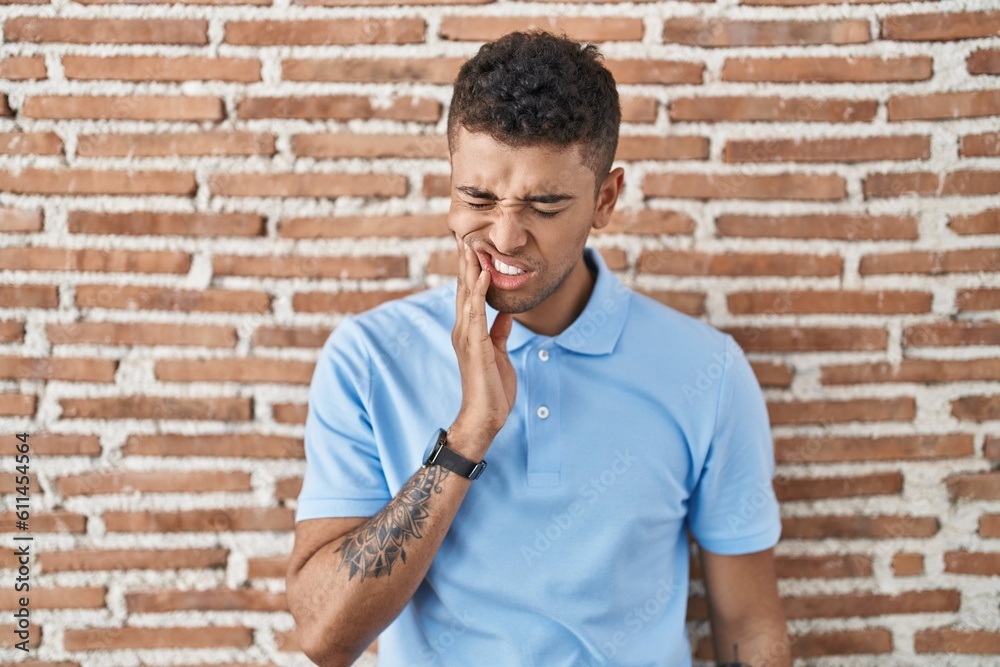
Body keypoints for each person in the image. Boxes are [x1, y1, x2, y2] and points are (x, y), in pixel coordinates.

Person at [287, 30, 790, 667]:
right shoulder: (366, 359)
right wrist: (471, 433)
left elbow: (749, 624)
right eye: (477, 198)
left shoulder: (708, 372)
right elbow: (324, 636)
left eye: (545, 204)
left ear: (605, 199)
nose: (503, 235)